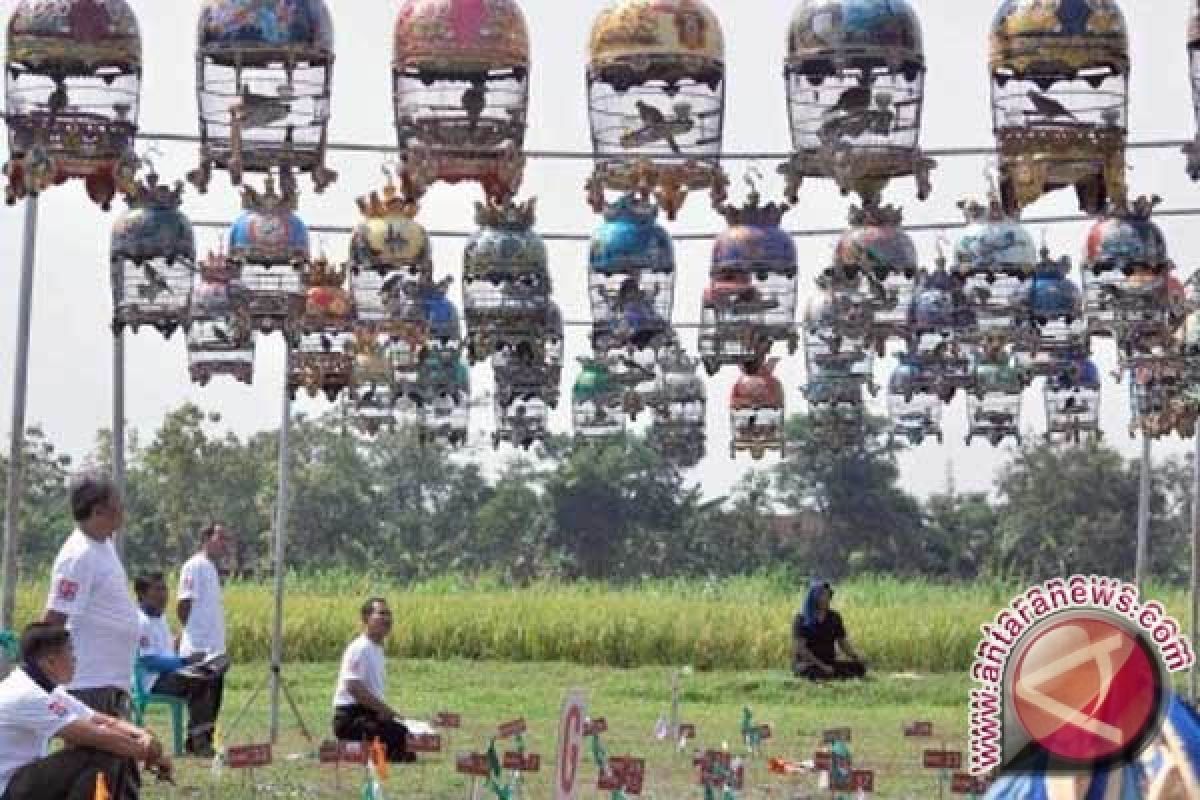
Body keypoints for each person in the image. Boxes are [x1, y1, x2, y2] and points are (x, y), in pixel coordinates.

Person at [0, 623, 172, 800]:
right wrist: (150, 752)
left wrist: (142, 735)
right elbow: (96, 736)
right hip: (8, 789)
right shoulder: (28, 694)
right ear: (50, 662)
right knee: (106, 749)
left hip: (21, 780)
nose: (75, 659)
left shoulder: (44, 688)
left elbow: (102, 721)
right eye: (70, 653)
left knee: (117, 745)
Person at [42, 472, 140, 719]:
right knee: (96, 756)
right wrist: (42, 676)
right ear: (98, 511)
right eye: (117, 503)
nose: (122, 509)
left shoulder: (103, 545)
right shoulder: (79, 555)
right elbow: (54, 618)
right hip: (90, 683)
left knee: (118, 756)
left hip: (111, 681)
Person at [134, 573, 220, 757]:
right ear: (142, 594)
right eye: (157, 590)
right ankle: (198, 741)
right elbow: (149, 662)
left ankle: (201, 736)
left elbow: (166, 651)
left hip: (170, 674)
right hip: (152, 681)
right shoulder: (140, 621)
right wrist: (185, 662)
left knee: (214, 676)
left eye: (164, 589)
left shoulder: (160, 618)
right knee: (199, 680)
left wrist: (189, 652)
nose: (163, 594)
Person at [331, 598, 414, 763]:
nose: (387, 619)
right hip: (351, 718)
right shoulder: (360, 648)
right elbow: (353, 687)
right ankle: (353, 749)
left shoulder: (377, 649)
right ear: (366, 619)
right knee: (398, 737)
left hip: (368, 714)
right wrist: (385, 710)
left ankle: (366, 750)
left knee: (403, 735)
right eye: (381, 614)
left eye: (389, 614)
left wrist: (382, 713)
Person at [176, 523, 231, 733]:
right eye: (220, 538)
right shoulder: (194, 565)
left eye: (227, 539)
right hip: (199, 645)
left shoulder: (212, 568)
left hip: (215, 646)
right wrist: (191, 631)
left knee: (214, 697)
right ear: (207, 538)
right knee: (202, 698)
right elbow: (184, 604)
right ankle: (197, 739)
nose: (224, 544)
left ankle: (207, 739)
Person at [792, 580, 867, 681]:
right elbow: (801, 649)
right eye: (823, 595)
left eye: (828, 595)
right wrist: (823, 666)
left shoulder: (835, 617)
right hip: (808, 663)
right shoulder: (801, 619)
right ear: (814, 598)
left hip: (829, 661)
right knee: (814, 671)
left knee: (859, 668)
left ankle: (831, 673)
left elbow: (843, 643)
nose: (826, 598)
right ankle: (828, 674)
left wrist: (856, 657)